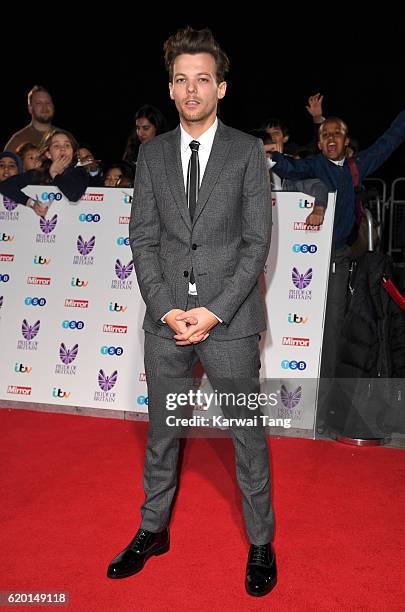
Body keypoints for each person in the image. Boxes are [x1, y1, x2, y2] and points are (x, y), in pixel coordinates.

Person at [107, 26, 276, 597]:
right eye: (181, 79)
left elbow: (256, 243)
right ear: (172, 87)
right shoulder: (151, 155)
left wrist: (214, 312)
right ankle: (153, 529)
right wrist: (167, 308)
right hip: (166, 322)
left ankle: (260, 542)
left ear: (221, 87)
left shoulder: (247, 151)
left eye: (202, 78)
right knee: (162, 432)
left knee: (246, 433)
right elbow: (143, 239)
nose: (191, 89)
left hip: (228, 323)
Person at [270, 112, 405, 379]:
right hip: (299, 261)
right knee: (290, 324)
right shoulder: (312, 166)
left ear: (346, 141)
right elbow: (286, 167)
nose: (332, 137)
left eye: (338, 133)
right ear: (319, 144)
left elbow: (388, 143)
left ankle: (328, 393)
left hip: (336, 258)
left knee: (334, 326)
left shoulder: (356, 168)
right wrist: (260, 153)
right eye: (326, 134)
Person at [0, 129, 88, 216]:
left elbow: (74, 195)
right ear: (48, 154)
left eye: (67, 145)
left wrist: (54, 173)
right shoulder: (39, 174)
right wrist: (31, 203)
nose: (62, 149)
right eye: (56, 146)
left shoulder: (80, 172)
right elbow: (5, 185)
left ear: (73, 152)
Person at [4, 85, 59, 152]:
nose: (44, 107)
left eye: (48, 103)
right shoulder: (18, 140)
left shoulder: (65, 137)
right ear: (30, 109)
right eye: (39, 103)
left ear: (53, 107)